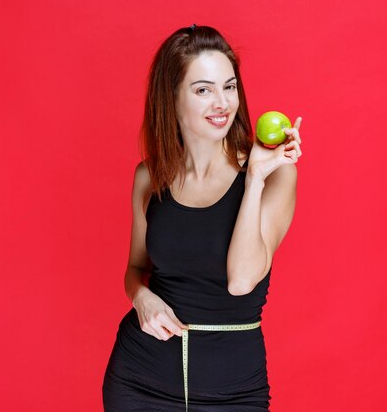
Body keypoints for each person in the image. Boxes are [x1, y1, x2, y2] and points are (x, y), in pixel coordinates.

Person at [102, 24, 303, 411]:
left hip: (233, 391)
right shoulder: (150, 176)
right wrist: (141, 297)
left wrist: (256, 179)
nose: (222, 103)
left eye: (229, 87)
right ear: (172, 98)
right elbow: (136, 267)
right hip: (139, 379)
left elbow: (242, 280)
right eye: (203, 90)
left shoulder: (275, 172)